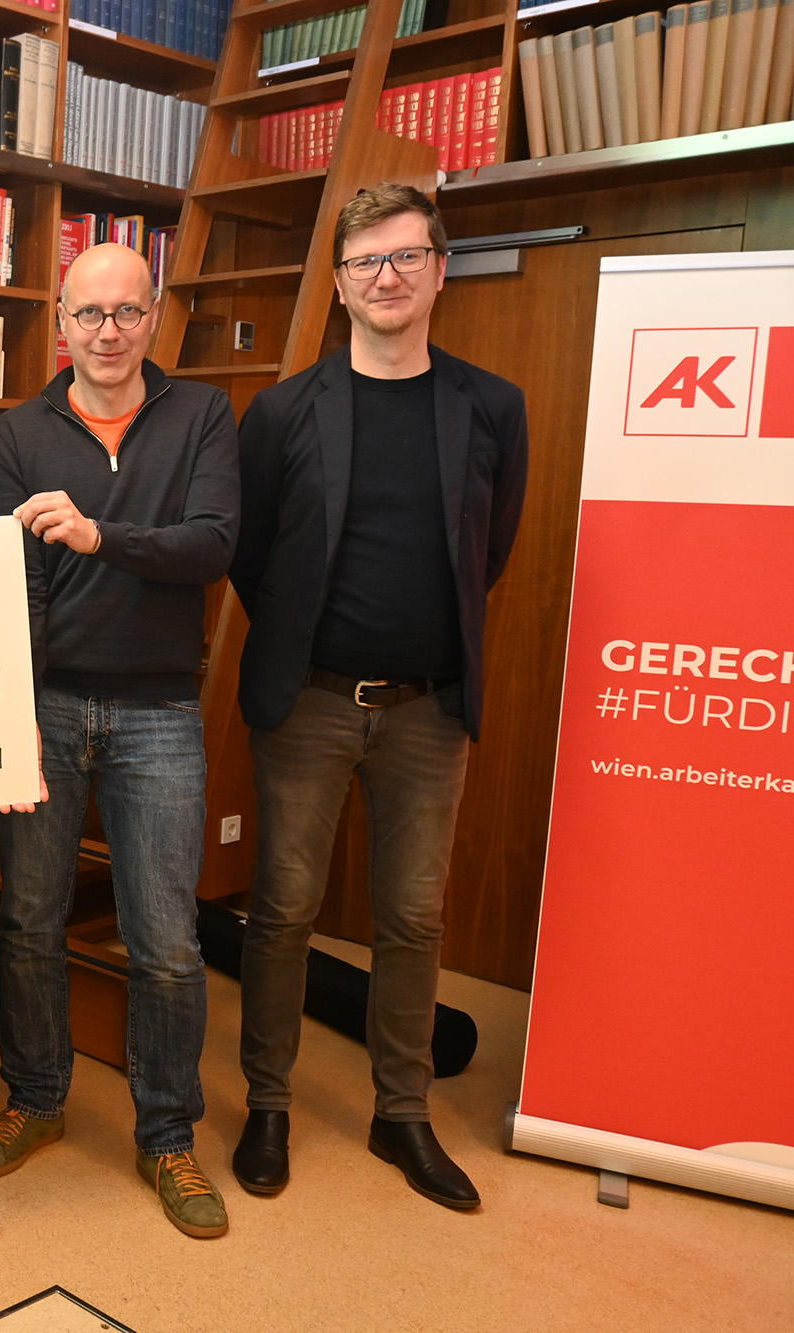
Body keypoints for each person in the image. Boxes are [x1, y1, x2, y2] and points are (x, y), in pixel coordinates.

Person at [227, 184, 527, 1210]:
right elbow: (252, 554)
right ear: (341, 287)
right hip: (307, 701)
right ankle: (266, 1102)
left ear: (438, 270)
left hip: (429, 710)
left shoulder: (489, 407)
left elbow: (488, 550)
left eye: (405, 258)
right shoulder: (280, 412)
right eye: (365, 264)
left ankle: (400, 1113)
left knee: (411, 917)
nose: (386, 277)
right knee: (281, 909)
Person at [0, 242, 239, 1239]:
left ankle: (167, 1133)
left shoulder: (199, 416)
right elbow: (4, 581)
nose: (109, 332)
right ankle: (35, 1097)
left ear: (153, 316)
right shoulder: (18, 431)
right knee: (28, 921)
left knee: (165, 941)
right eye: (89, 314)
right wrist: (10, 714)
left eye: (127, 312)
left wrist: (97, 534)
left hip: (158, 711)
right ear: (60, 320)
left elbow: (211, 544)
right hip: (42, 706)